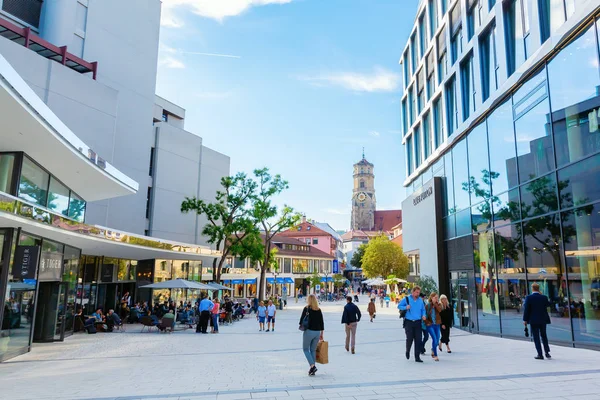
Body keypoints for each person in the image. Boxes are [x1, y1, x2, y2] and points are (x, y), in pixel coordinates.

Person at [523, 283, 552, 360]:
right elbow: (548, 304)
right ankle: (547, 352)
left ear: (532, 288)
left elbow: (526, 310)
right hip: (543, 320)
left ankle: (540, 354)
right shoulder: (544, 297)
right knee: (544, 336)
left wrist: (525, 320)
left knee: (536, 337)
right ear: (538, 288)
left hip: (533, 320)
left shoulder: (529, 298)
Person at [398, 286, 426, 362]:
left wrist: (424, 315)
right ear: (413, 292)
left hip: (418, 322)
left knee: (418, 339)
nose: (418, 294)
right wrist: (405, 307)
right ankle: (407, 351)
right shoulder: (407, 299)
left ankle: (417, 357)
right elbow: (399, 306)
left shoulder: (420, 301)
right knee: (409, 338)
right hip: (408, 322)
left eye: (419, 292)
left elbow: (423, 310)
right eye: (417, 292)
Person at [299, 294, 324, 376]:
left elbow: (301, 321)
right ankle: (312, 368)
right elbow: (322, 322)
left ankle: (312, 366)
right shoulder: (318, 309)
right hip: (317, 332)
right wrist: (321, 334)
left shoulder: (306, 309)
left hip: (309, 331)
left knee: (305, 349)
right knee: (313, 350)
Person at [425, 293, 442, 361]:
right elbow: (424, 315)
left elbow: (440, 310)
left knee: (437, 339)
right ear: (431, 298)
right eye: (435, 297)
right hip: (430, 324)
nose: (436, 299)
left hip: (437, 324)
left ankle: (433, 349)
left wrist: (435, 304)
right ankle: (435, 355)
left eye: (437, 297)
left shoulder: (439, 304)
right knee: (434, 339)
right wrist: (427, 323)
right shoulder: (428, 306)